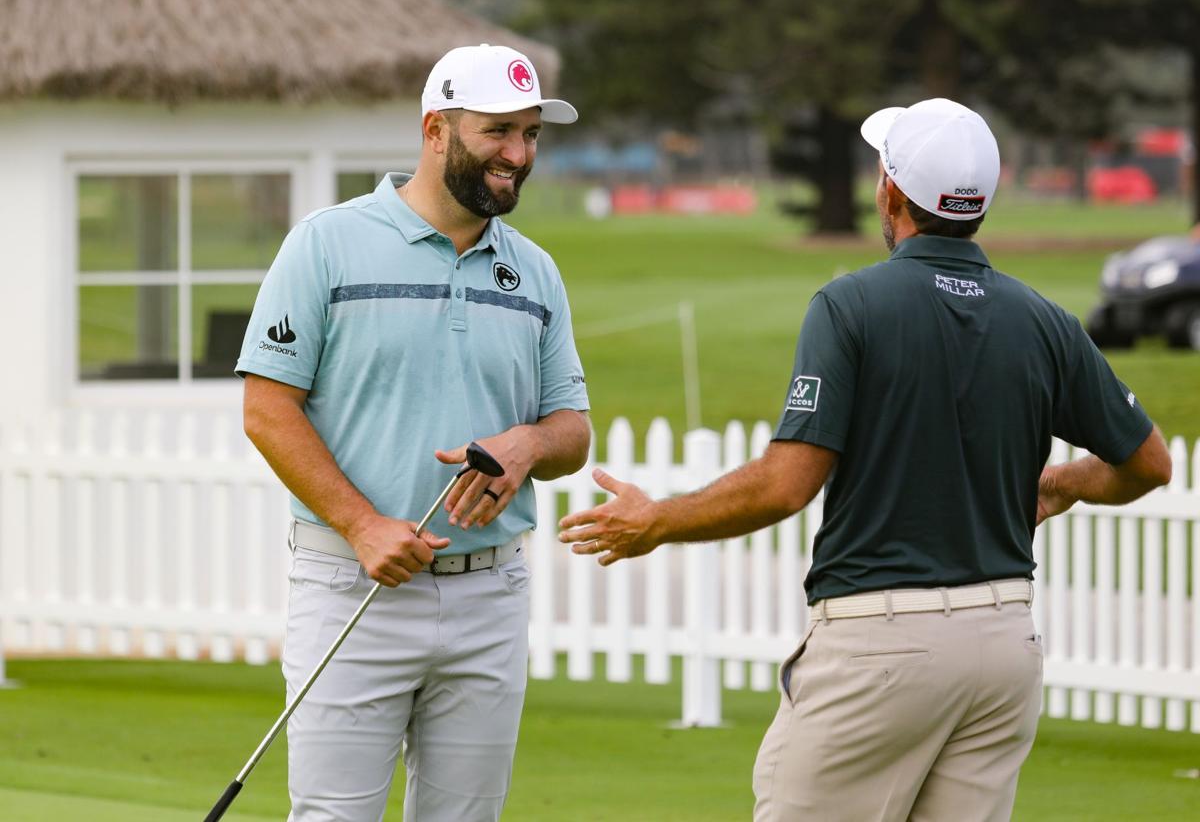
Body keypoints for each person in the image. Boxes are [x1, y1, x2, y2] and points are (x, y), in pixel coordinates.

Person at [558, 98, 1171, 822]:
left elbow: (787, 484)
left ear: (890, 190)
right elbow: (1149, 465)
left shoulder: (850, 305)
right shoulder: (1045, 321)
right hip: (1005, 642)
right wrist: (1065, 482)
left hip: (882, 646)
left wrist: (659, 520)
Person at [236, 44, 591, 822]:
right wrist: (362, 525)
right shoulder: (326, 244)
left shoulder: (534, 272)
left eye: (531, 135)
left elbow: (572, 429)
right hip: (351, 585)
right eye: (499, 131)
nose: (519, 155)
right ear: (437, 129)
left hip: (490, 594)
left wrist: (528, 445)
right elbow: (267, 409)